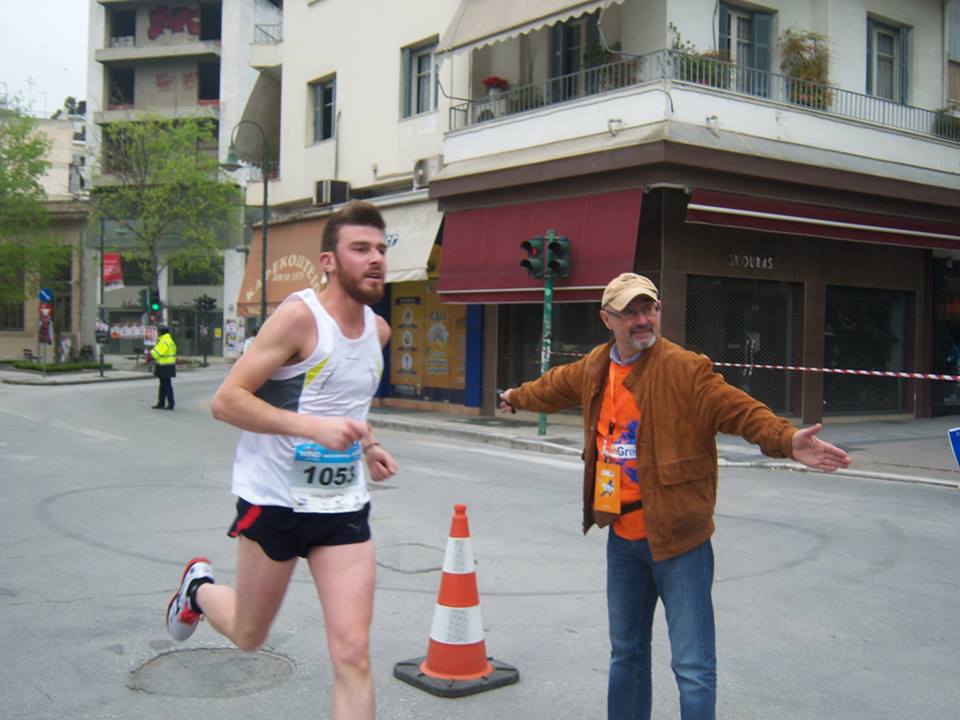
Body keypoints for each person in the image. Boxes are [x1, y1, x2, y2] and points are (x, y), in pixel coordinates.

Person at [498, 272, 850, 720]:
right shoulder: (595, 367)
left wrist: (786, 439)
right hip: (622, 539)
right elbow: (553, 386)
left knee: (693, 667)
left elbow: (741, 411)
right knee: (627, 654)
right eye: (630, 312)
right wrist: (516, 397)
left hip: (680, 543)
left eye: (649, 309)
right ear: (607, 319)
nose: (642, 320)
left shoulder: (686, 370)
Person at [165, 201, 399, 720]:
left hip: (340, 506)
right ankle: (198, 590)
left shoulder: (379, 332)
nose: (376, 259)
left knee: (353, 653)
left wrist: (369, 446)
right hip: (274, 500)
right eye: (361, 248)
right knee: (248, 634)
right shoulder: (299, 318)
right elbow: (227, 401)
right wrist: (312, 428)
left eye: (381, 249)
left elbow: (347, 407)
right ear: (329, 261)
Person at [150, 325, 177, 410]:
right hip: (170, 365)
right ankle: (162, 402)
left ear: (161, 332)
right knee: (164, 385)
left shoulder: (164, 342)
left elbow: (156, 353)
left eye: (158, 332)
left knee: (166, 385)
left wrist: (151, 351)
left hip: (164, 366)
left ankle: (169, 403)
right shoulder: (170, 341)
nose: (158, 333)